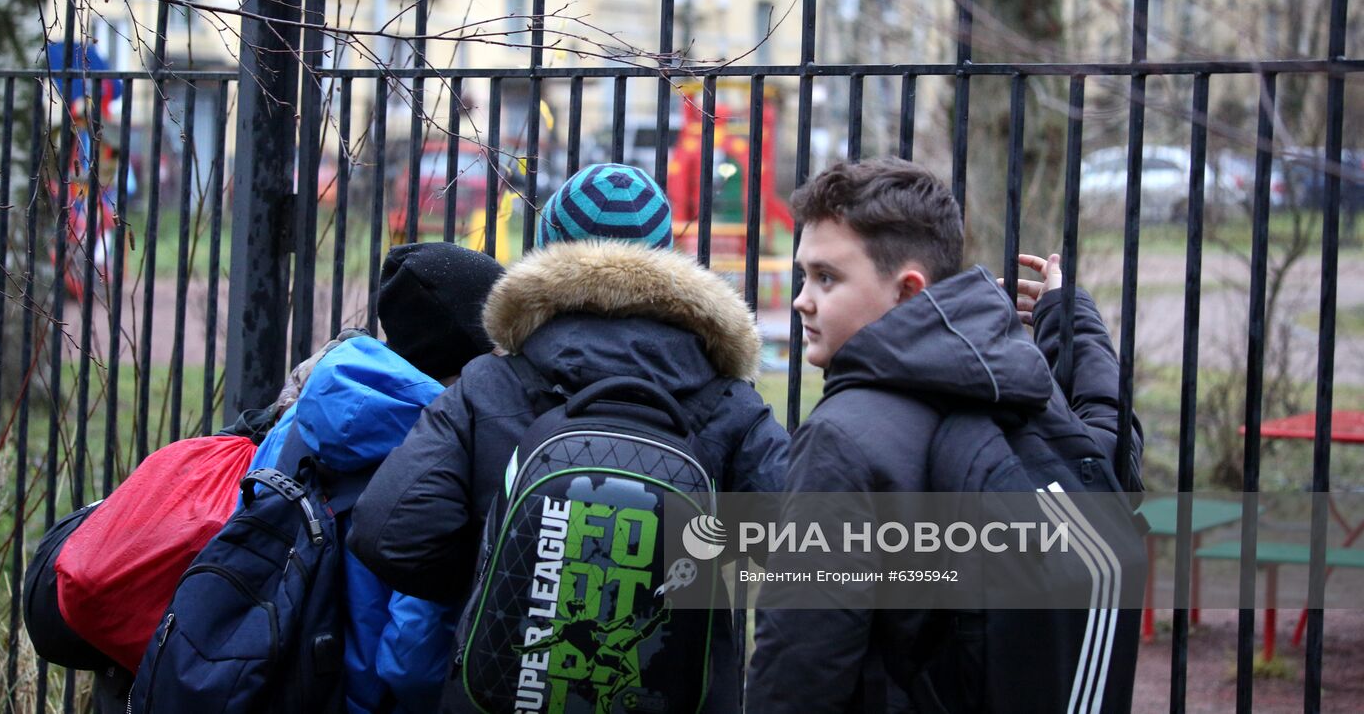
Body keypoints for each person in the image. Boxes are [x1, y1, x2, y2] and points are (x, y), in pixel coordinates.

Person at [349, 162, 790, 713]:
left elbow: (388, 532)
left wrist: (510, 568)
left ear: (547, 255)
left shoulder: (489, 385)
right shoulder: (730, 405)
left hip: (510, 688)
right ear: (667, 262)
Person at [746, 157, 1142, 714]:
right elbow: (1109, 457)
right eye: (804, 276)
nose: (801, 300)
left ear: (909, 290)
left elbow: (799, 669)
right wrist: (1071, 320)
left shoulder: (843, 439)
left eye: (826, 277)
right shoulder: (1019, 385)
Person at [249, 241, 506, 714]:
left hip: (269, 673)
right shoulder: (439, 454)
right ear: (469, 351)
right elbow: (414, 661)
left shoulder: (300, 412)